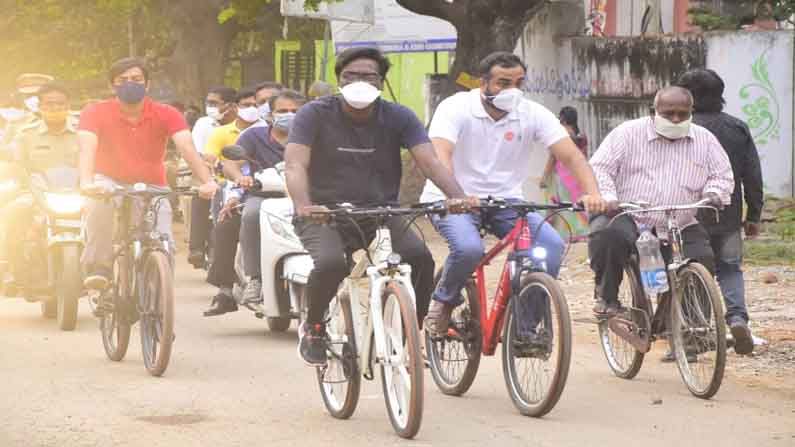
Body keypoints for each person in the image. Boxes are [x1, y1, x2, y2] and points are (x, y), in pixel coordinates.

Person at [285, 46, 473, 366]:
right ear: (339, 81)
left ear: (382, 82)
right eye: (350, 76)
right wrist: (305, 205)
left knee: (420, 258)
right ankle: (314, 326)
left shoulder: (399, 116)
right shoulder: (313, 114)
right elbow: (295, 165)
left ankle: (411, 332)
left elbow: (429, 161)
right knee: (331, 264)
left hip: (381, 214)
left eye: (368, 76)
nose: (359, 81)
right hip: (323, 215)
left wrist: (457, 196)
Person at [420, 52, 607, 343]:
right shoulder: (456, 107)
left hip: (506, 202)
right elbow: (440, 154)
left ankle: (526, 329)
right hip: (453, 199)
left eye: (518, 83)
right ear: (483, 83)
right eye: (503, 83)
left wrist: (592, 193)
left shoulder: (532, 112)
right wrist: (456, 196)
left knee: (550, 245)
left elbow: (571, 155)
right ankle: (444, 300)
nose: (512, 90)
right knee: (469, 250)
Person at [588, 86, 734, 325]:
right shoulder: (627, 134)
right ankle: (607, 298)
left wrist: (714, 193)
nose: (676, 119)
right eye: (668, 114)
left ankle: (693, 327)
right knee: (607, 236)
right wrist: (607, 196)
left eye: (682, 114)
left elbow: (722, 175)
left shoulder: (705, 140)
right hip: (631, 215)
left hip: (680, 220)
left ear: (691, 112)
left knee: (701, 258)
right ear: (653, 111)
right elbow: (600, 168)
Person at [79, 57, 218, 290]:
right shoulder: (95, 112)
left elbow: (186, 146)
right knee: (97, 206)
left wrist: (208, 181)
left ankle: (159, 307)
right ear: (112, 86)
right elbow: (87, 147)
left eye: (136, 79)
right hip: (107, 180)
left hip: (152, 184)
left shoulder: (167, 113)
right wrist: (86, 182)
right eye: (122, 80)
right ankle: (99, 267)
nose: (130, 84)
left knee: (162, 242)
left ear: (147, 84)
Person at [678, 69, 762, 355]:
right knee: (729, 268)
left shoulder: (681, 128)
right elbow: (752, 174)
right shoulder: (737, 128)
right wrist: (753, 215)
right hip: (728, 213)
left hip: (688, 216)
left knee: (691, 271)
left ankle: (694, 334)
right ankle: (737, 318)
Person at [213, 89, 308, 312]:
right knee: (251, 214)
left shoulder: (314, 136)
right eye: (282, 111)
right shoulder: (253, 136)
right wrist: (241, 178)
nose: (289, 115)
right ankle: (255, 277)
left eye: (295, 111)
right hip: (263, 196)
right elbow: (230, 163)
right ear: (270, 114)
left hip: (304, 196)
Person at [0, 82, 79, 284]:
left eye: (60, 104)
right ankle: (10, 267)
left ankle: (105, 272)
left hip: (79, 194)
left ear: (68, 105)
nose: (55, 108)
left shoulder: (84, 130)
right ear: (40, 106)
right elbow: (14, 157)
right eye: (49, 104)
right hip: (36, 193)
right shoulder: (26, 133)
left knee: (108, 214)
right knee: (12, 212)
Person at [187, 86, 238, 268]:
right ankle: (196, 248)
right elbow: (199, 155)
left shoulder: (246, 127)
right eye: (208, 103)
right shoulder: (204, 124)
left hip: (239, 179)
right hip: (211, 175)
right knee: (201, 194)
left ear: (232, 106)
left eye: (214, 103)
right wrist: (209, 180)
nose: (210, 107)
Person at [540, 106, 590, 241]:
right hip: (576, 174)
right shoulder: (581, 136)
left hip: (562, 174)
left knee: (558, 203)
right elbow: (583, 156)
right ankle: (580, 232)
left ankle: (563, 233)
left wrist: (545, 177)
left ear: (562, 118)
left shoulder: (560, 135)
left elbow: (553, 157)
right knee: (574, 203)